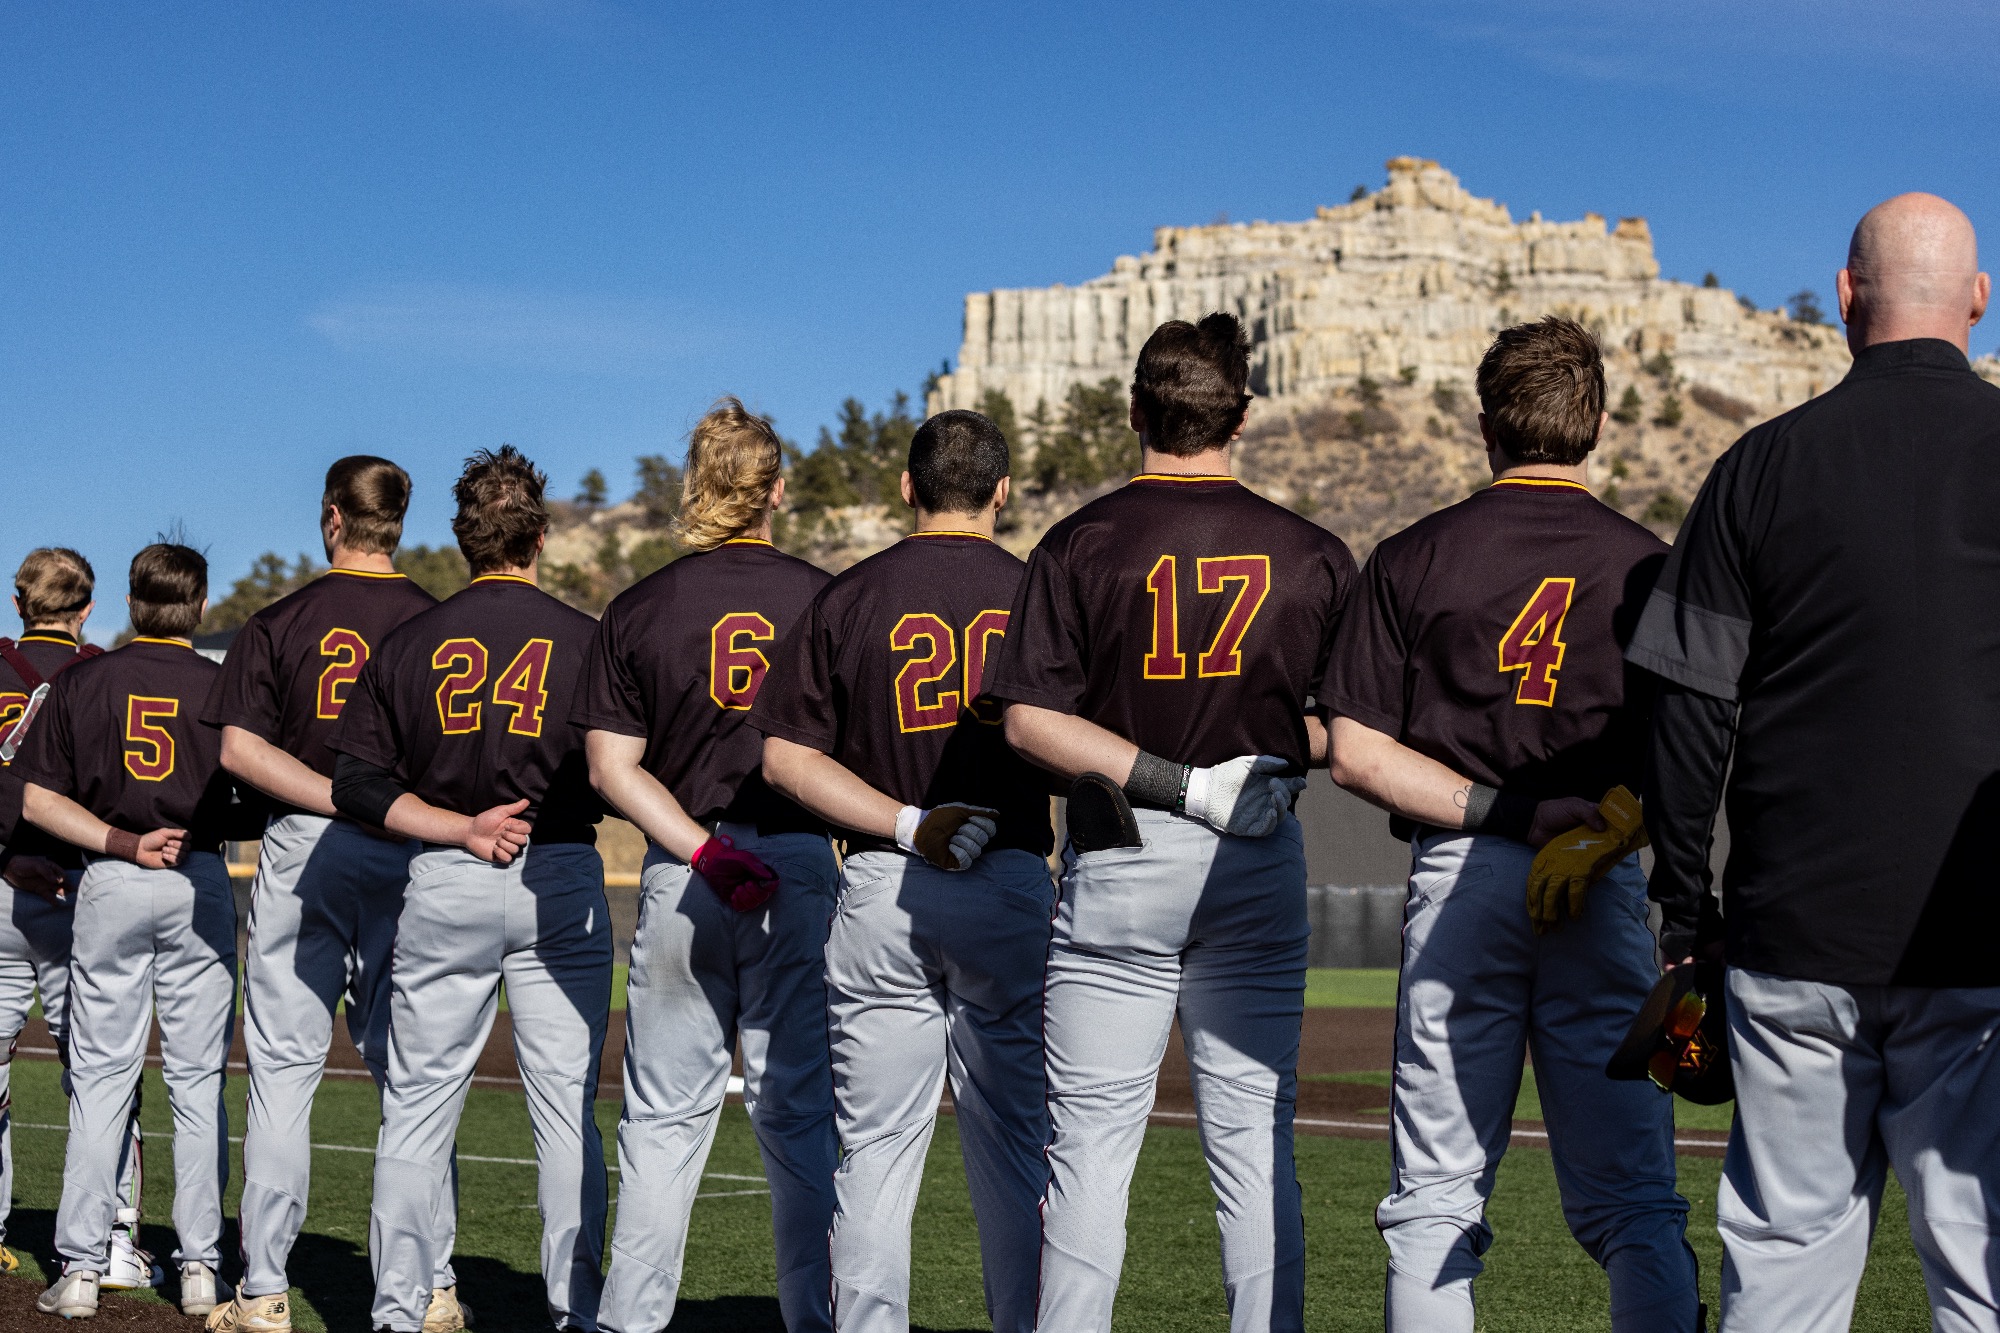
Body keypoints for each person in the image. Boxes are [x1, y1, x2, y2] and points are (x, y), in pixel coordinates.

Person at [1629, 194, 1998, 1332]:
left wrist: (1684, 909)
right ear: (1977, 303)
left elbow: (1685, 712)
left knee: (1782, 1273)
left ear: (1843, 298)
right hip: (1980, 939)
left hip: (1791, 936)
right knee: (1983, 1271)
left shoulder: (1756, 469)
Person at [1322, 316, 1699, 1331]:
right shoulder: (1653, 565)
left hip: (1462, 872)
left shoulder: (1409, 556)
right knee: (1632, 1200)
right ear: (1599, 424)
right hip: (1603, 879)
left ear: (1482, 425)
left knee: (1433, 1200)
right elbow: (1695, 755)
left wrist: (1509, 813)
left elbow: (1352, 751)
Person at [987, 313, 1355, 1333]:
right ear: (1239, 415)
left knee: (1090, 1151)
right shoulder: (1312, 552)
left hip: (1120, 850)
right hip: (1253, 848)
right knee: (1251, 1143)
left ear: (1136, 409)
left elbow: (1027, 721)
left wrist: (1171, 780)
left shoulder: (1077, 541)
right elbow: (1345, 734)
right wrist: (1263, 767)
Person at [753, 409, 1054, 1333]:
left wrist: (907, 820)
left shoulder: (846, 597)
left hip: (887, 876)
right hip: (1008, 878)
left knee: (877, 1152)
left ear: (908, 488)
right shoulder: (1043, 593)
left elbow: (785, 760)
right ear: (1003, 490)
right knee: (1018, 1148)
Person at [330, 446, 610, 1333]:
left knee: (416, 1111)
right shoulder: (587, 637)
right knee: (565, 1109)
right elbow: (620, 771)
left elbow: (357, 783)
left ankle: (397, 1308)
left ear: (463, 540)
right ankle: (580, 1306)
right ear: (539, 532)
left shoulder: (409, 641)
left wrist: (457, 826)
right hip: (557, 867)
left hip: (447, 869)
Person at [577, 400, 838, 1333]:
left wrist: (702, 850)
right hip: (799, 862)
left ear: (696, 485)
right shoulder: (824, 595)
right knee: (800, 1119)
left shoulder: (641, 605)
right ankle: (816, 1318)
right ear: (776, 488)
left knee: (662, 1121)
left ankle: (631, 1323)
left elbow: (611, 767)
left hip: (686, 868)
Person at [199, 458, 458, 1333]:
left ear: (330, 518)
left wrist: (335, 794)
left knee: (282, 1072)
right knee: (417, 1079)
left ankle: (265, 1289)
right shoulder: (436, 621)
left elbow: (238, 751)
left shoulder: (281, 620)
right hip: (411, 844)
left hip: (308, 842)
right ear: (399, 523)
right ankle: (435, 1287)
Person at [20, 543, 256, 1320]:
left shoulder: (83, 679)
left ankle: (83, 1268)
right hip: (198, 876)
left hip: (112, 876)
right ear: (197, 604)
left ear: (129, 600)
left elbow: (34, 800)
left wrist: (121, 841)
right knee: (196, 1089)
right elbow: (251, 800)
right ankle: (198, 1267)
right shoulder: (225, 682)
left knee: (100, 1085)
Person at [0, 548, 150, 1290]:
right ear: (88, 607)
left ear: (18, 601)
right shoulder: (105, 676)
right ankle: (113, 1238)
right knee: (100, 1073)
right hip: (80, 885)